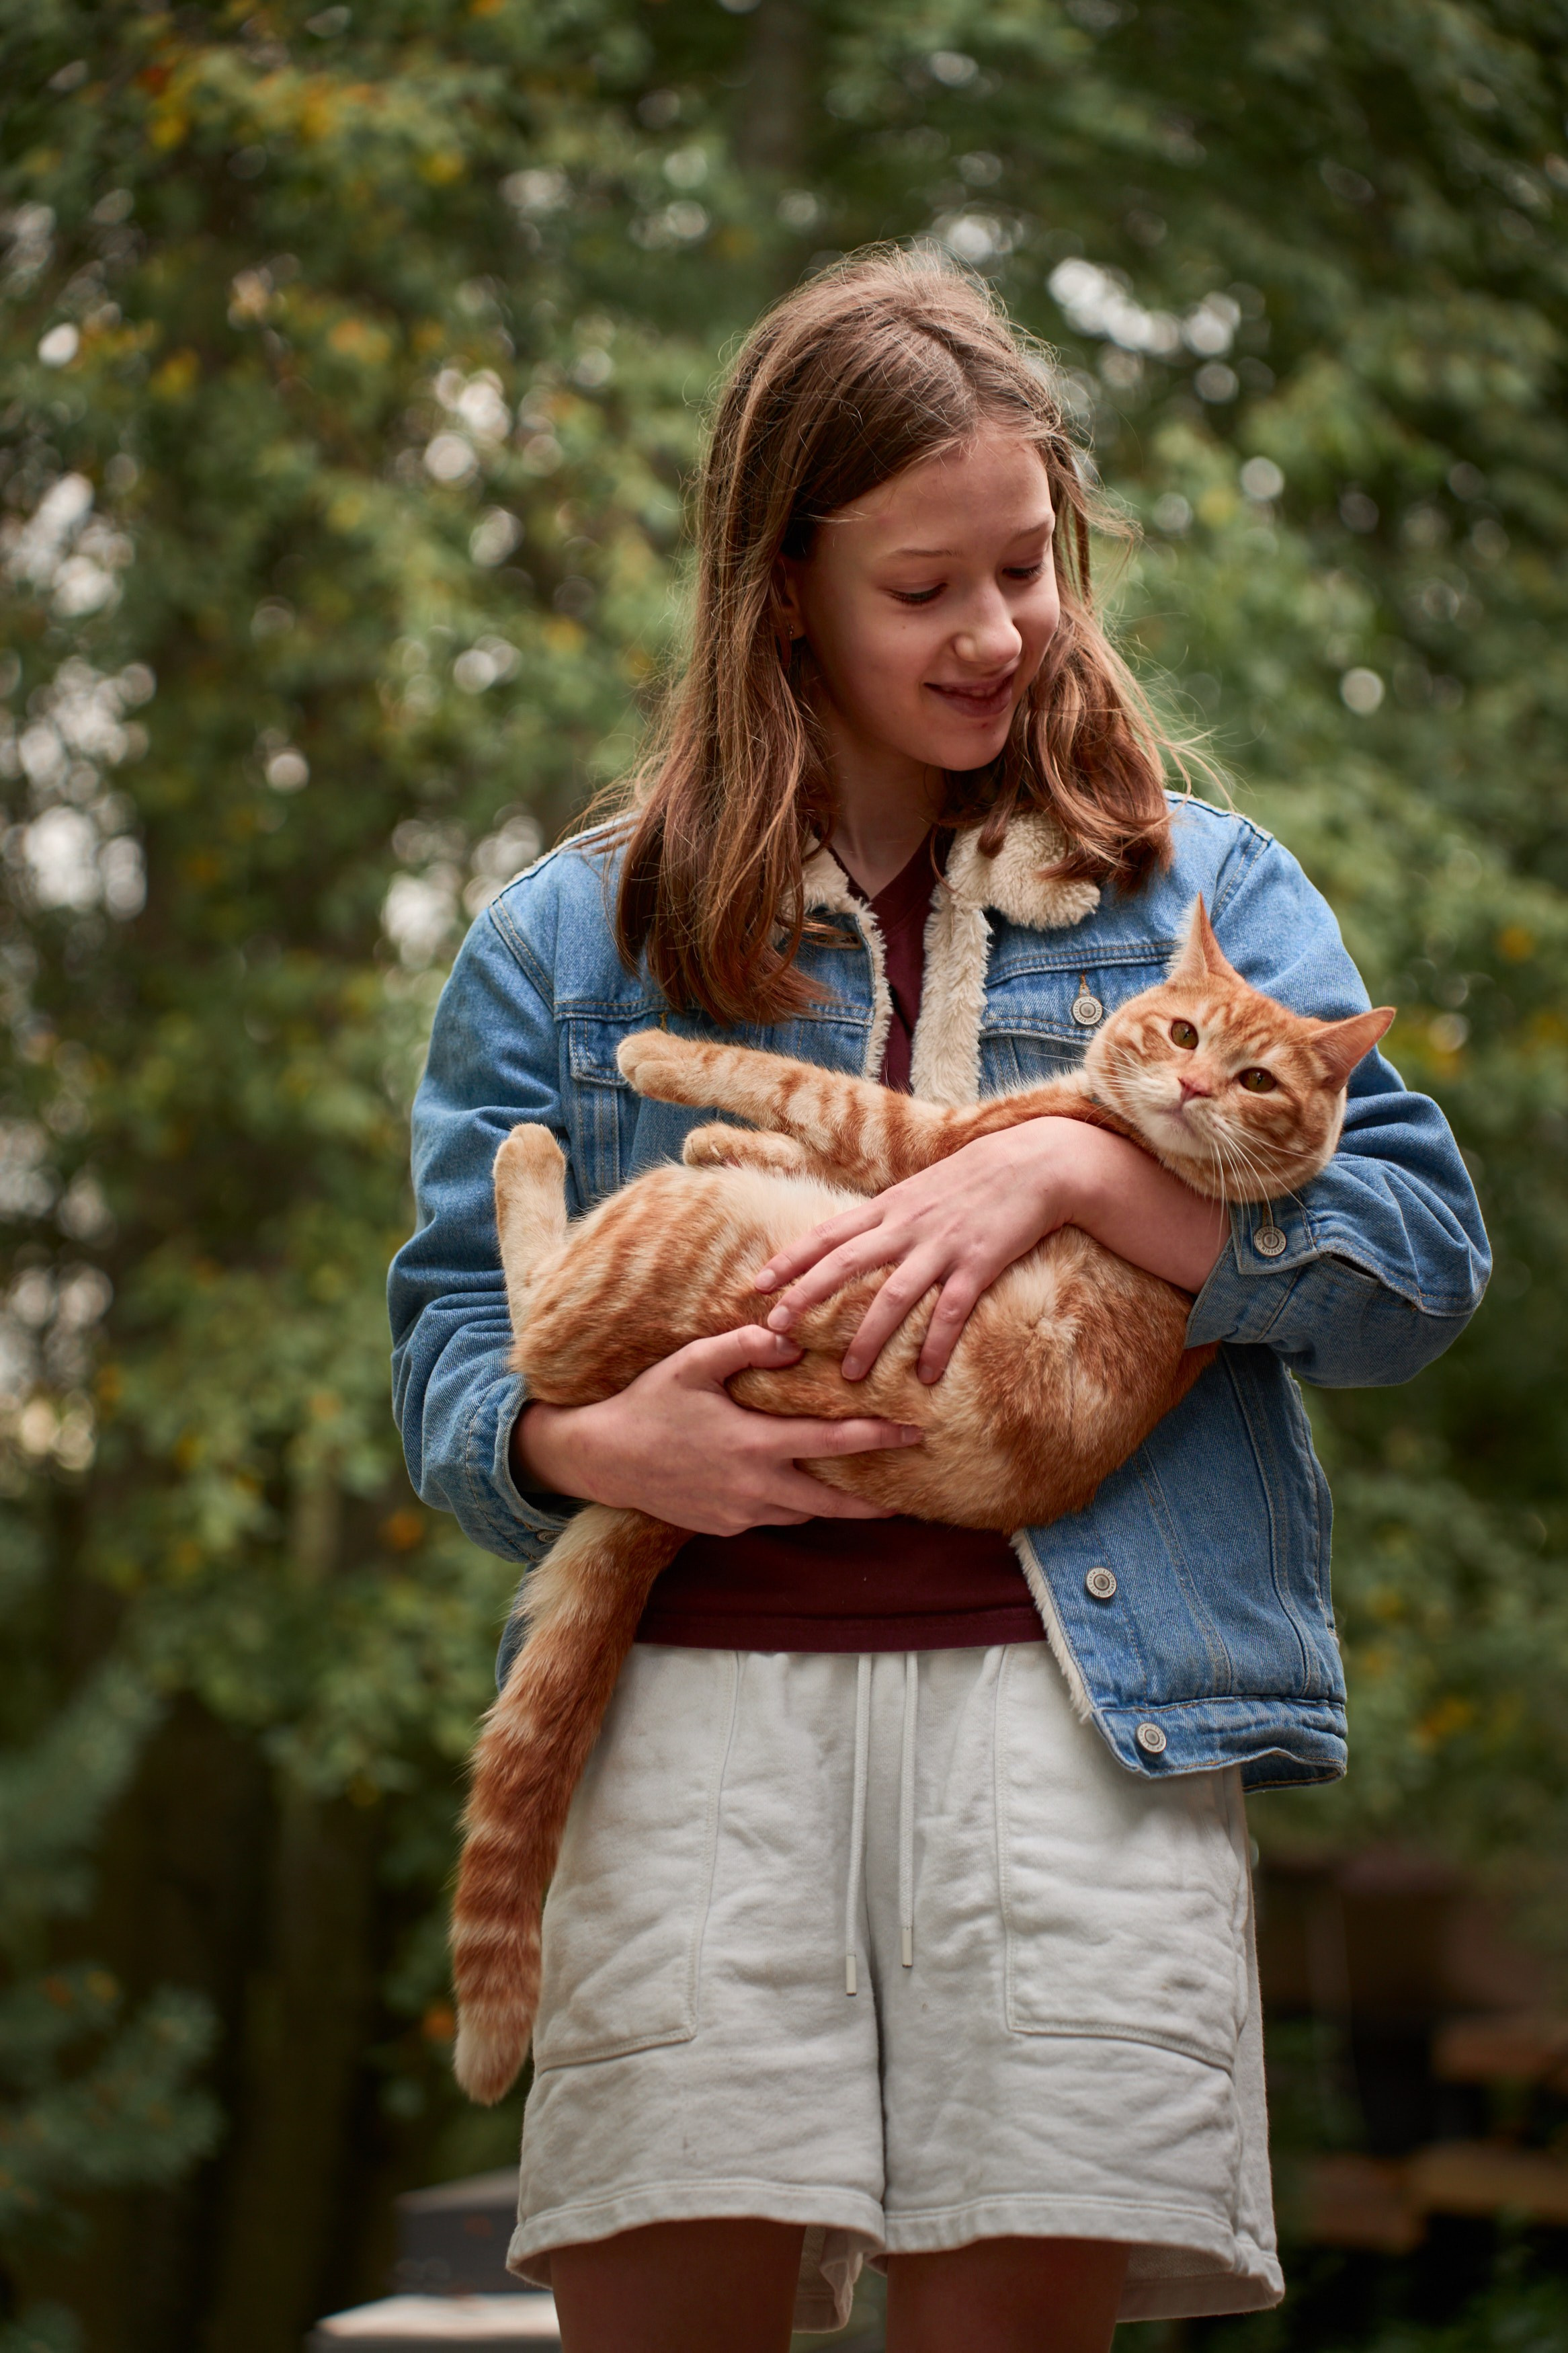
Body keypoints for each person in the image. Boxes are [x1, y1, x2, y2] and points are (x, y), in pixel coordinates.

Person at [389, 251, 1487, 2353]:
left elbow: (1419, 1262)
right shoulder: (566, 935)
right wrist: (586, 1444)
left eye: (1032, 564)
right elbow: (454, 1337)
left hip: (1074, 1720)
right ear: (779, 585)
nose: (1000, 630)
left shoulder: (1204, 893)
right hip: (694, 1728)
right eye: (926, 588)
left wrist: (1089, 1166)